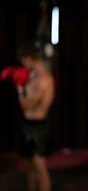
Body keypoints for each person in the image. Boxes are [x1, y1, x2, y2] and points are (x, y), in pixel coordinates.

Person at [16, 41, 54, 191]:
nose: (23, 64)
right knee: (30, 167)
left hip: (37, 127)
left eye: (23, 61)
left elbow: (27, 105)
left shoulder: (43, 79)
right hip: (29, 123)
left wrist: (19, 88)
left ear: (28, 58)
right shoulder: (34, 75)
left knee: (40, 169)